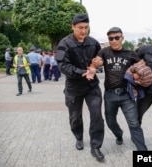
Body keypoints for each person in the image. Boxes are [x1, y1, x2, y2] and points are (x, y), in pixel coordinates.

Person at [55, 14, 104, 162]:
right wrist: (83, 72)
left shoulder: (94, 43)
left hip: (92, 86)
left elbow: (100, 59)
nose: (83, 31)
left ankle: (96, 146)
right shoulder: (64, 44)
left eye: (86, 28)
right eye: (80, 28)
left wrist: (96, 67)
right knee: (75, 117)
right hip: (73, 87)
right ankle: (79, 137)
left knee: (96, 115)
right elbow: (62, 65)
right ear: (73, 27)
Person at [91, 27, 147, 151]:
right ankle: (119, 134)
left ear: (122, 38)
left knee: (134, 123)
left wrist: (137, 72)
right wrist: (95, 66)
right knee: (110, 122)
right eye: (111, 38)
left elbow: (141, 65)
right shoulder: (104, 52)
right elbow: (98, 61)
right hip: (110, 95)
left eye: (117, 37)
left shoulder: (130, 53)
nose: (114, 40)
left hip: (126, 94)